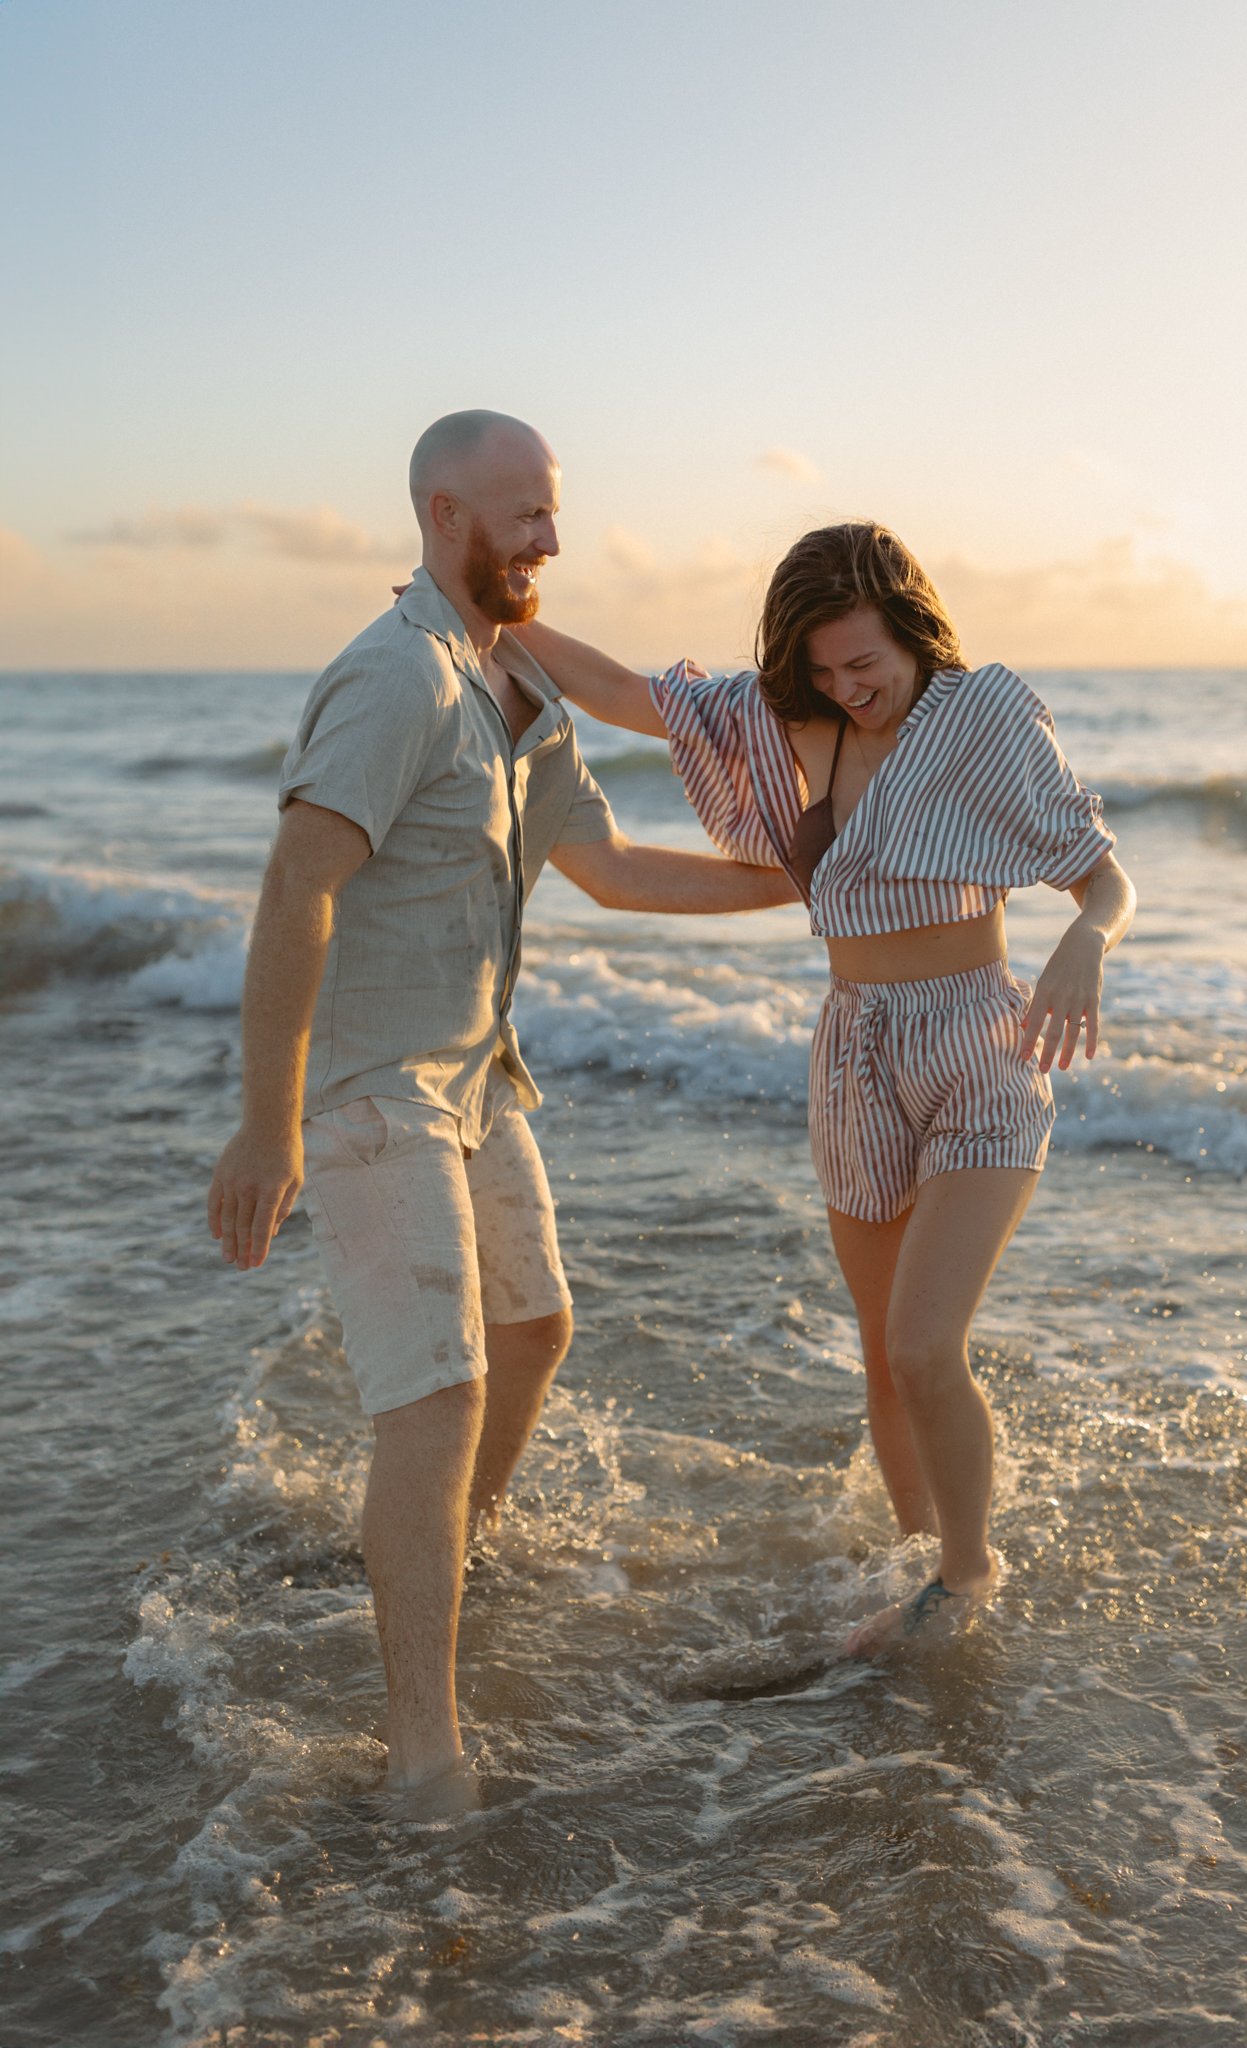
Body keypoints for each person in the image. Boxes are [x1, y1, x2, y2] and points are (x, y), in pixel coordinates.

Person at [206, 411, 796, 1798]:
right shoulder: (397, 678)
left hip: (472, 1075)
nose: (548, 537)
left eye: (552, 509)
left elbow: (608, 869)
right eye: (520, 513)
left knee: (534, 1325)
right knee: (438, 1394)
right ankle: (425, 1750)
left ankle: (427, 1552)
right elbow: (299, 886)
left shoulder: (517, 683)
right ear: (442, 517)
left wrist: (803, 884)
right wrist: (264, 1121)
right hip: (368, 1091)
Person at [515, 521, 1137, 1655]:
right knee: (881, 1353)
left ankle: (966, 1575)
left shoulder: (981, 715)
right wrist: (483, 610)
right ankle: (915, 1563)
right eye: (827, 670)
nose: (852, 691)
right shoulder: (787, 722)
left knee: (922, 1344)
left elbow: (1102, 871)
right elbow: (613, 688)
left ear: (914, 634)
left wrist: (1086, 938)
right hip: (854, 1050)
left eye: (871, 666)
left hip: (977, 1047)